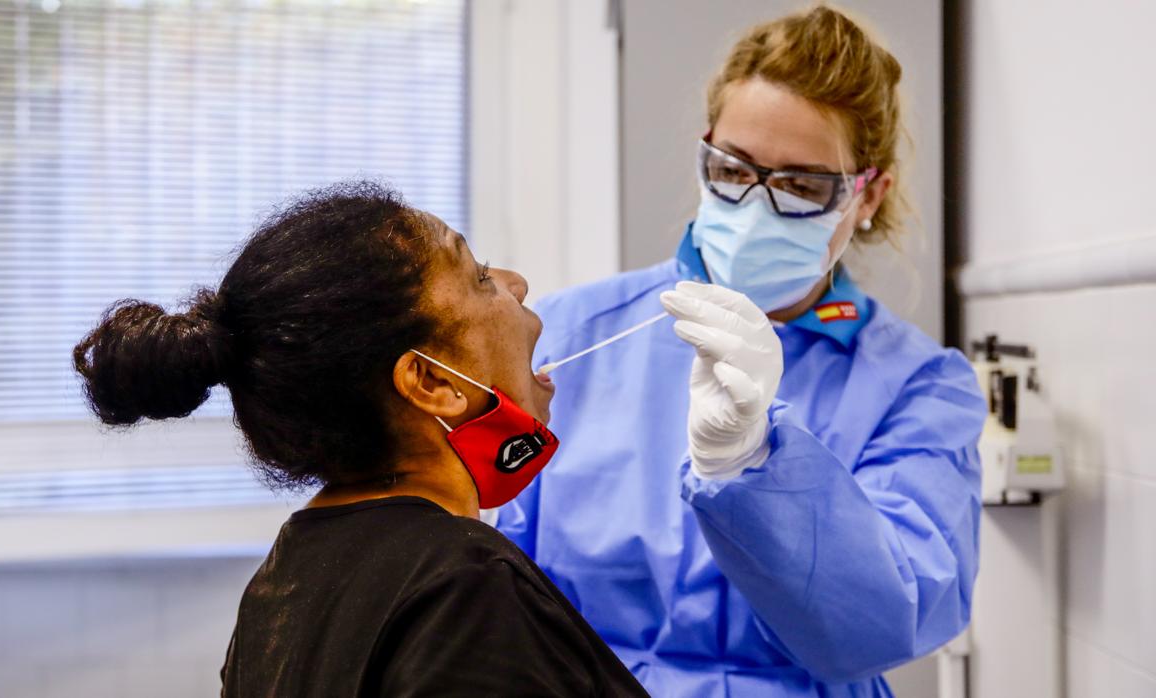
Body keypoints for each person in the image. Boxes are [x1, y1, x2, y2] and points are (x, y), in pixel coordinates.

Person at [498, 6, 987, 697]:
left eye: (800, 185)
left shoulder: (918, 387)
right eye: (733, 169)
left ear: (868, 194)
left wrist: (758, 463)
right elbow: (485, 579)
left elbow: (884, 625)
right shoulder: (573, 334)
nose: (756, 207)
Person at [72, 182, 648, 697]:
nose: (516, 284)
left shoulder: (283, 583)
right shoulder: (463, 586)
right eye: (478, 276)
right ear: (432, 381)